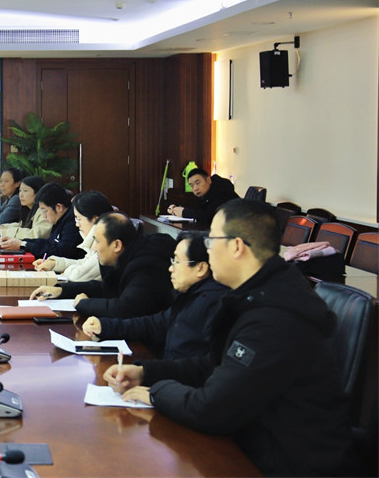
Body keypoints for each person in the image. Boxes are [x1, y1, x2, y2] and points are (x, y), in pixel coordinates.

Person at [104, 199, 350, 476]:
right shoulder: (258, 293)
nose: (208, 250)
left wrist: (156, 393)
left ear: (236, 246)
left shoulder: (274, 316)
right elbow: (215, 364)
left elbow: (212, 409)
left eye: (212, 241)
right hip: (255, 443)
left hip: (286, 462)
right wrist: (146, 372)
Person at [81, 232, 228, 359]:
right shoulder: (188, 296)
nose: (171, 268)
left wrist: (146, 372)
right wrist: (105, 326)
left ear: (201, 268)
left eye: (177, 261)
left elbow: (199, 367)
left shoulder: (211, 304)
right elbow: (154, 324)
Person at [30, 212, 174, 319]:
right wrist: (61, 290)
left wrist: (84, 304)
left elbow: (124, 308)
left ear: (116, 245)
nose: (95, 248)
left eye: (98, 242)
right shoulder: (127, 256)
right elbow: (106, 288)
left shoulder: (146, 266)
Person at [32, 190, 114, 282]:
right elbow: (85, 263)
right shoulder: (97, 239)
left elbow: (79, 275)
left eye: (79, 219)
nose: (77, 224)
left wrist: (66, 273)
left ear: (95, 220)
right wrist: (54, 263)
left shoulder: (106, 242)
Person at [0, 182, 83, 260]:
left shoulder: (73, 222)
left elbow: (61, 251)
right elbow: (49, 242)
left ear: (58, 207)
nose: (43, 215)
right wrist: (22, 242)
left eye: (45, 211)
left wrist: (23, 245)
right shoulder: (61, 218)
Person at [166, 168, 238, 224]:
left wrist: (184, 212)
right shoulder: (206, 194)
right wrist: (176, 209)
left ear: (208, 180)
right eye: (192, 185)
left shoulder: (222, 191)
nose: (195, 188)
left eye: (197, 183)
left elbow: (208, 215)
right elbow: (198, 210)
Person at [0, 175, 49, 240]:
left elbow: (36, 235)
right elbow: (22, 225)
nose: (21, 195)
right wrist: (2, 228)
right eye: (20, 191)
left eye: (25, 191)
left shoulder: (44, 211)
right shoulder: (29, 209)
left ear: (38, 193)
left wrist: (7, 232)